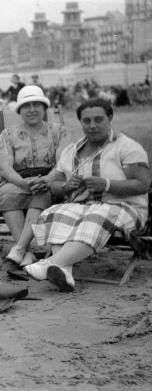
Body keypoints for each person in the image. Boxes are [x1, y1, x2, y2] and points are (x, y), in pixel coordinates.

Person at [24, 98, 150, 291]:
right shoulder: (72, 150)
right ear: (81, 122)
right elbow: (54, 184)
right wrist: (66, 186)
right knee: (56, 212)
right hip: (83, 206)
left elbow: (143, 184)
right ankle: (63, 269)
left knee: (97, 215)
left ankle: (49, 263)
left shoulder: (127, 147)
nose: (92, 126)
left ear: (110, 118)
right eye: (87, 121)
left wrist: (107, 184)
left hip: (125, 207)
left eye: (98, 120)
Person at [0, 86, 69, 266]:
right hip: (18, 181)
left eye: (37, 105)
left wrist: (47, 180)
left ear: (44, 108)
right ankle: (26, 252)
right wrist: (22, 183)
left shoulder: (59, 132)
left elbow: (63, 163)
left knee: (43, 191)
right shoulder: (8, 134)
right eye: (27, 106)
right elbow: (5, 167)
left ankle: (20, 248)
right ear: (20, 110)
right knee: (6, 194)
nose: (33, 109)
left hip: (52, 178)